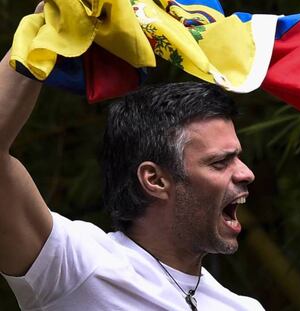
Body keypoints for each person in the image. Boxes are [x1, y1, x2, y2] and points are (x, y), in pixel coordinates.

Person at [0, 8, 262, 311]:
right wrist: (44, 30)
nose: (246, 174)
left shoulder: (244, 308)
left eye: (238, 158)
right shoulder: (77, 266)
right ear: (155, 179)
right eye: (220, 162)